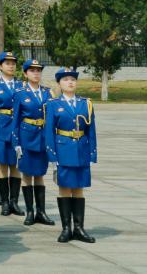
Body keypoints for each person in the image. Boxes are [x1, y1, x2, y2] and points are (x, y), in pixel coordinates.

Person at [46, 68, 97, 244]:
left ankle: (79, 228)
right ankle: (66, 228)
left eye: (73, 79)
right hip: (63, 150)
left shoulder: (85, 103)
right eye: (66, 79)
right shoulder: (53, 104)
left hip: (81, 150)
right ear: (59, 84)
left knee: (79, 188)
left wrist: (92, 153)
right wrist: (52, 156)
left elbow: (91, 131)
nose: (70, 82)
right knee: (65, 188)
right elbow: (49, 132)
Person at [12, 58, 55, 227]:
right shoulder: (20, 93)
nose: (36, 73)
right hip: (26, 138)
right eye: (32, 70)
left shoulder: (47, 93)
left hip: (42, 137)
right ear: (25, 73)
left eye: (38, 70)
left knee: (40, 175)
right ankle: (30, 211)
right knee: (27, 175)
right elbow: (15, 120)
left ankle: (41, 212)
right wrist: (16, 143)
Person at [0, 50, 24, 217]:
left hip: (18, 128)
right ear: (0, 66)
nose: (11, 66)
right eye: (7, 63)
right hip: (1, 127)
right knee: (2, 164)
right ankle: (4, 202)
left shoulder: (21, 86)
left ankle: (14, 201)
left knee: (15, 165)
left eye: (13, 63)